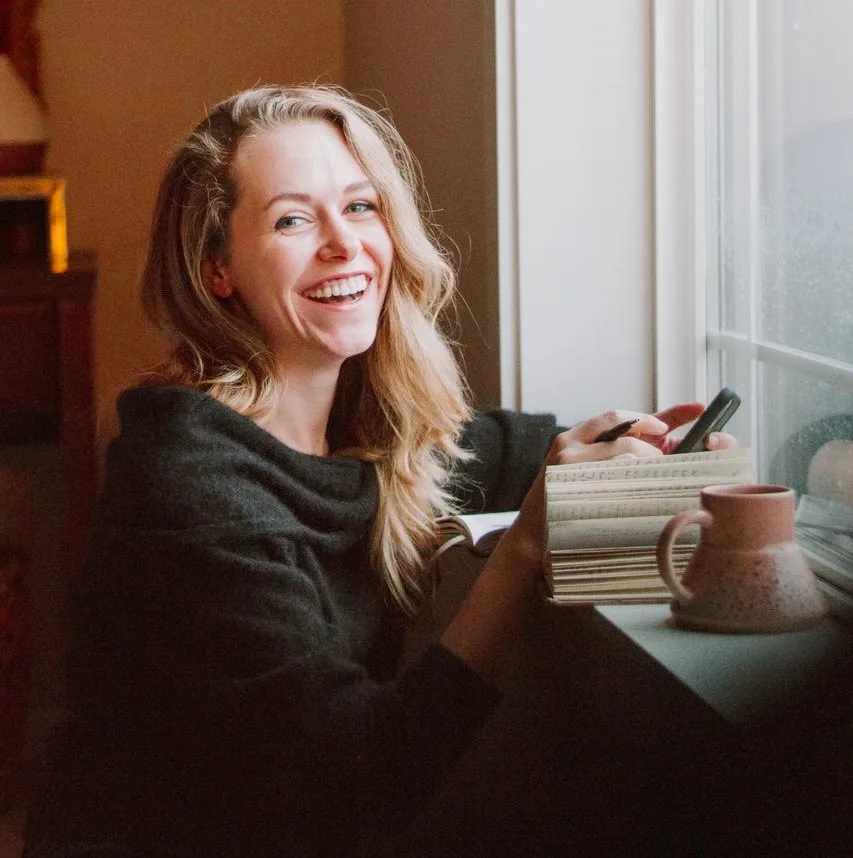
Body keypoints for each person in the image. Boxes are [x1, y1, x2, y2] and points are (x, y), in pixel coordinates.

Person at [23, 84, 734, 857]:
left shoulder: (363, 433)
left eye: (360, 206)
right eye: (292, 219)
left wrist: (646, 446)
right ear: (216, 269)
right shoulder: (188, 482)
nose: (344, 244)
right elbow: (358, 783)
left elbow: (507, 453)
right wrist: (524, 550)